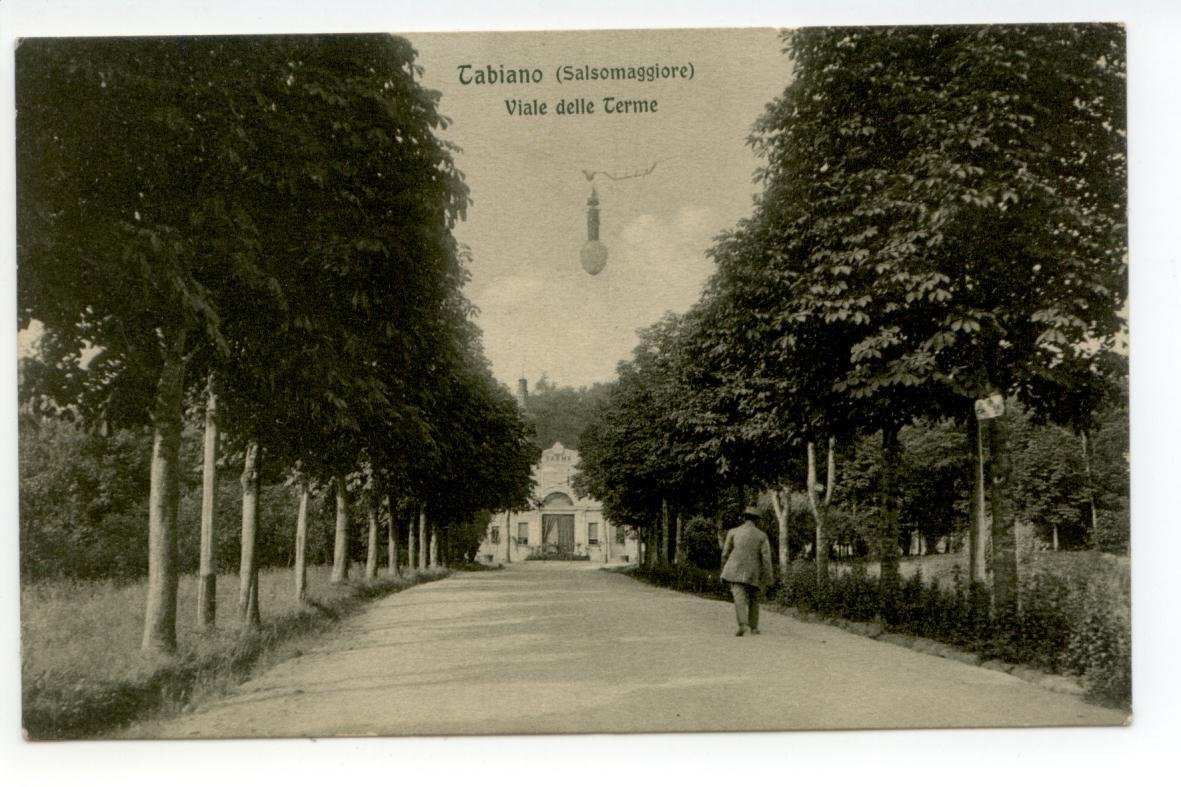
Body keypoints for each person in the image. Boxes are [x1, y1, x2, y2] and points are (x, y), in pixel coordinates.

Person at [720, 506, 774, 636]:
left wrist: (724, 569)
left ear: (744, 518)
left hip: (735, 569)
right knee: (754, 597)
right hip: (754, 572)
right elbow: (766, 559)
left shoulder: (733, 532)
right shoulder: (762, 536)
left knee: (739, 597)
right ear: (757, 520)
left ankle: (743, 625)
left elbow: (725, 553)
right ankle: (754, 627)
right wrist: (768, 576)